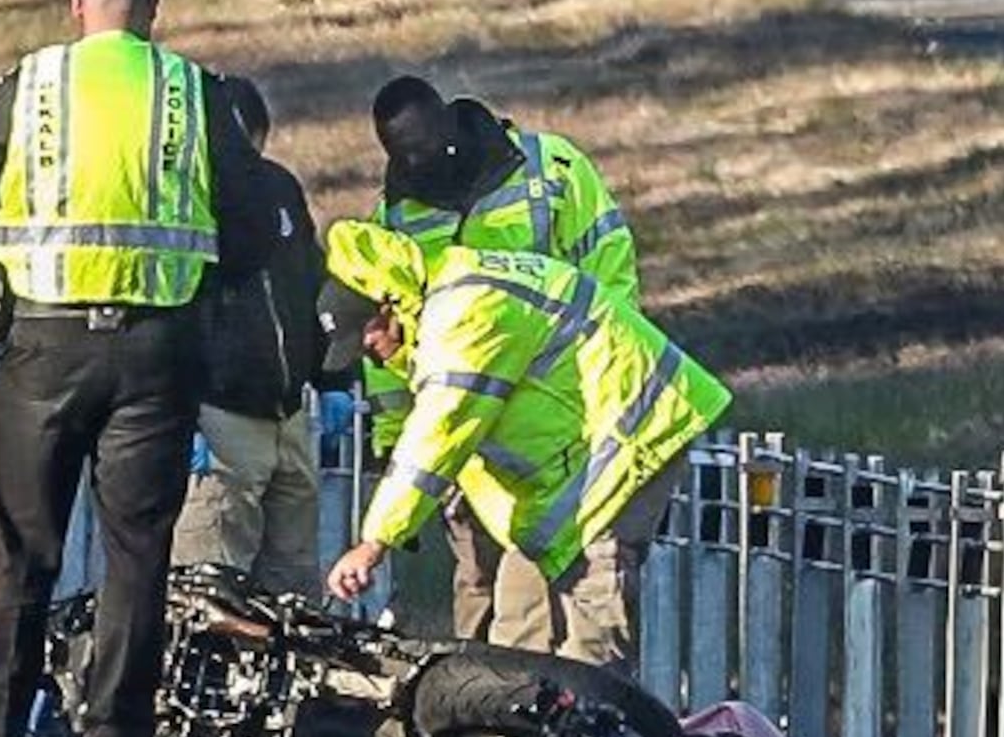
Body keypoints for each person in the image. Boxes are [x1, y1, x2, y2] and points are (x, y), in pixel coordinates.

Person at [0, 0, 271, 737]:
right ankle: (115, 735)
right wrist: (199, 296)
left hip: (44, 341)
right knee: (136, 548)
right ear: (153, 13)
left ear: (76, 6)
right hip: (159, 347)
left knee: (19, 542)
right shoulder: (196, 93)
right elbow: (252, 223)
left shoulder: (30, 84)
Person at [319, 219, 727, 671]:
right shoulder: (448, 298)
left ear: (386, 307)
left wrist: (374, 542)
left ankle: (590, 724)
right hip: (572, 462)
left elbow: (440, 430)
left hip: (627, 439)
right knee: (517, 630)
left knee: (590, 617)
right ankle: (513, 726)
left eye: (367, 342)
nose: (371, 357)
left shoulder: (463, 312)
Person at [366, 76, 639, 651]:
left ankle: (539, 717)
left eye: (429, 151)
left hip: (563, 434)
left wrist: (601, 397)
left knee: (553, 604)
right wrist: (396, 441)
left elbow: (613, 285)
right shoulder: (396, 217)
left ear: (452, 127)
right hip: (466, 450)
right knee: (480, 596)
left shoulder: (552, 172)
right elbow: (388, 337)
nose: (424, 167)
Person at [177, 76, 329, 595]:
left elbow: (310, 285)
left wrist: (332, 376)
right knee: (212, 580)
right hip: (219, 414)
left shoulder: (280, 189)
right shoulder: (185, 200)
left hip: (289, 413)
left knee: (293, 584)